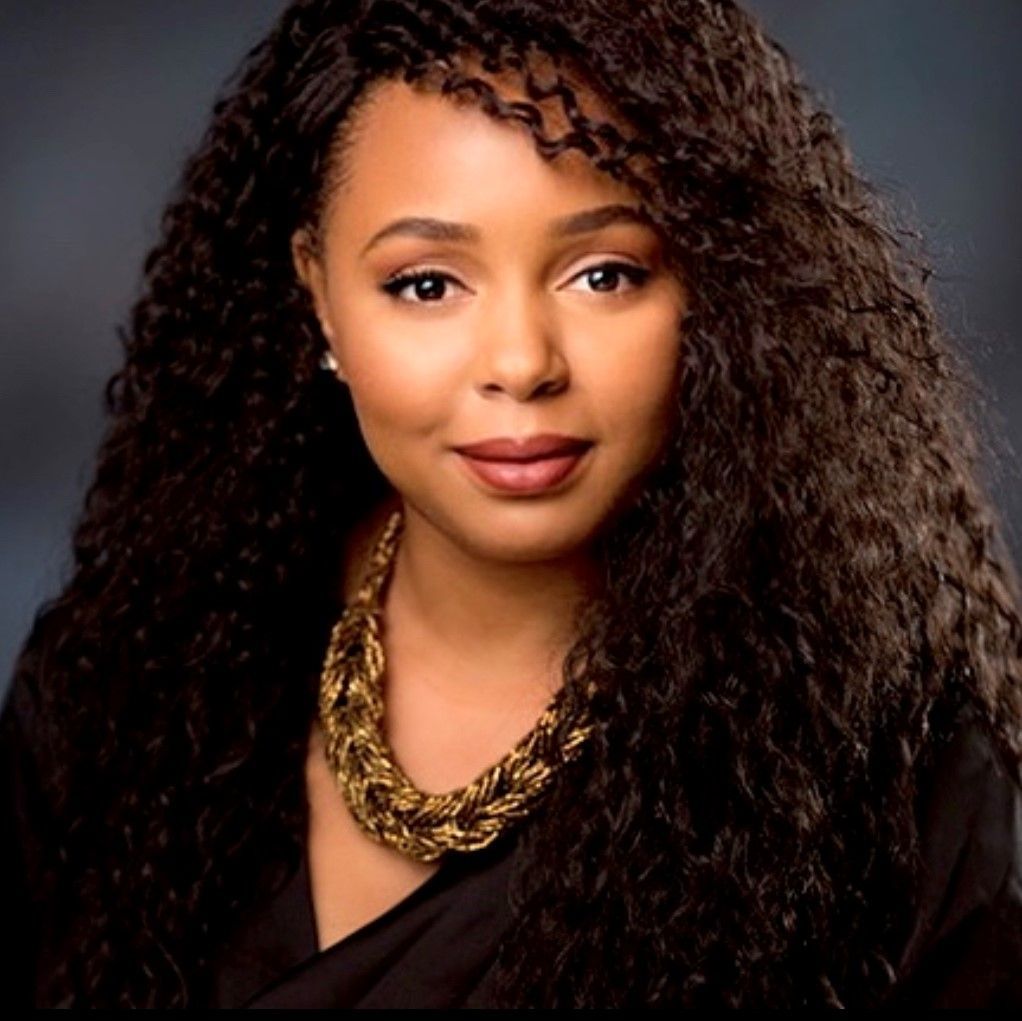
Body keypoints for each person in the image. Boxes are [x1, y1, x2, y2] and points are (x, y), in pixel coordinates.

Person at [2, 0, 1020, 1008]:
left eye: (604, 274)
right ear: (316, 294)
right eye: (426, 284)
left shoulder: (887, 771)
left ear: (714, 288)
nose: (521, 363)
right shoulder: (123, 689)